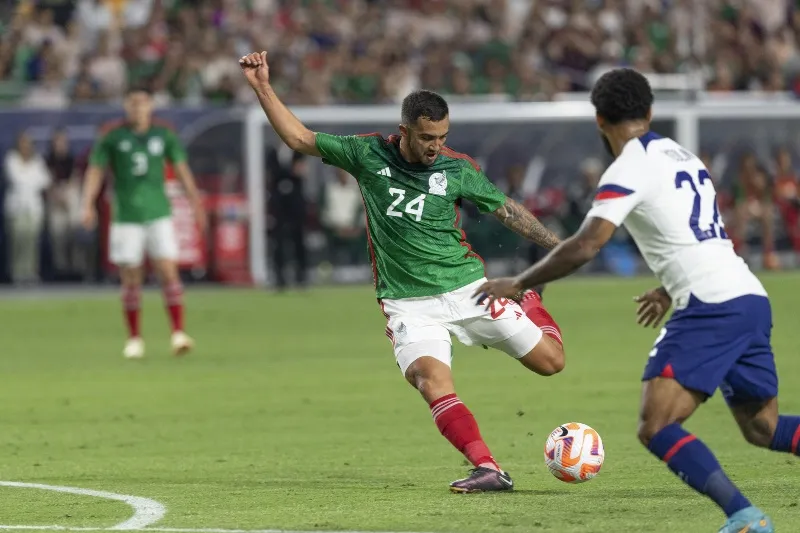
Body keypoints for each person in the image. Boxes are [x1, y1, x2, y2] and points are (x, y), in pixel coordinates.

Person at [475, 68, 792, 533]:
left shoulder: (628, 167)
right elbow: (701, 235)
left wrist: (520, 282)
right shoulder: (685, 157)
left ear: (599, 120)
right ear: (649, 111)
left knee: (656, 424)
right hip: (748, 298)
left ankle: (746, 519)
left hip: (711, 307)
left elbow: (587, 244)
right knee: (764, 427)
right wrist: (668, 287)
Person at [239, 50, 564, 493]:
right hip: (410, 304)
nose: (435, 146)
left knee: (551, 363)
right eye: (427, 137)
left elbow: (506, 209)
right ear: (405, 130)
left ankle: (530, 299)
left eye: (442, 137)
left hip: (469, 288)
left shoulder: (457, 168)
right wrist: (262, 86)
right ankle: (488, 467)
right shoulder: (367, 154)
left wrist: (559, 248)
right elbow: (299, 138)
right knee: (430, 380)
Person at [81, 86, 206, 360]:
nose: (137, 108)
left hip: (158, 213)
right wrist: (87, 203)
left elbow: (182, 170)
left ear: (151, 105)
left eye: (142, 102)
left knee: (168, 271)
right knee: (130, 277)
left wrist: (195, 202)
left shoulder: (164, 134)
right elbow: (96, 170)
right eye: (133, 102)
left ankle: (178, 333)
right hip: (126, 216)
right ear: (126, 106)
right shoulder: (112, 136)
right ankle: (134, 339)